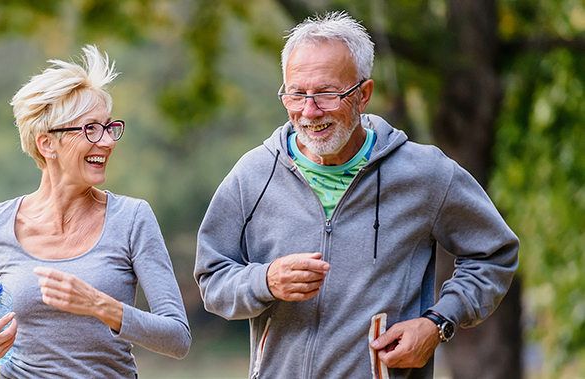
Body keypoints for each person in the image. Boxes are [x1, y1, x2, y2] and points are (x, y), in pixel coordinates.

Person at [193, 11, 518, 379]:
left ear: (363, 95)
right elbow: (212, 279)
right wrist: (264, 281)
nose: (309, 111)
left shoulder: (424, 174)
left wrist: (437, 323)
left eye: (327, 93)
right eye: (296, 93)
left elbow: (494, 253)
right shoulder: (253, 175)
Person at [0, 45, 191, 378]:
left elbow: (177, 338)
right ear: (47, 144)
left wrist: (100, 306)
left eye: (109, 127)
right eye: (90, 128)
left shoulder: (132, 218)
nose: (107, 141)